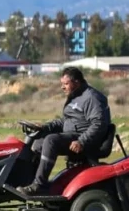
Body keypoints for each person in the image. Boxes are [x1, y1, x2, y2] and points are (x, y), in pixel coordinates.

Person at [16, 66, 111, 197]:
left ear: (76, 82)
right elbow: (65, 122)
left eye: (66, 84)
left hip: (85, 139)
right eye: (62, 84)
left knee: (51, 141)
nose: (62, 87)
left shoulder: (91, 98)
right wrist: (45, 127)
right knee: (39, 140)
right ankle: (29, 181)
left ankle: (39, 185)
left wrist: (82, 141)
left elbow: (99, 124)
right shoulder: (75, 97)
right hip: (73, 135)